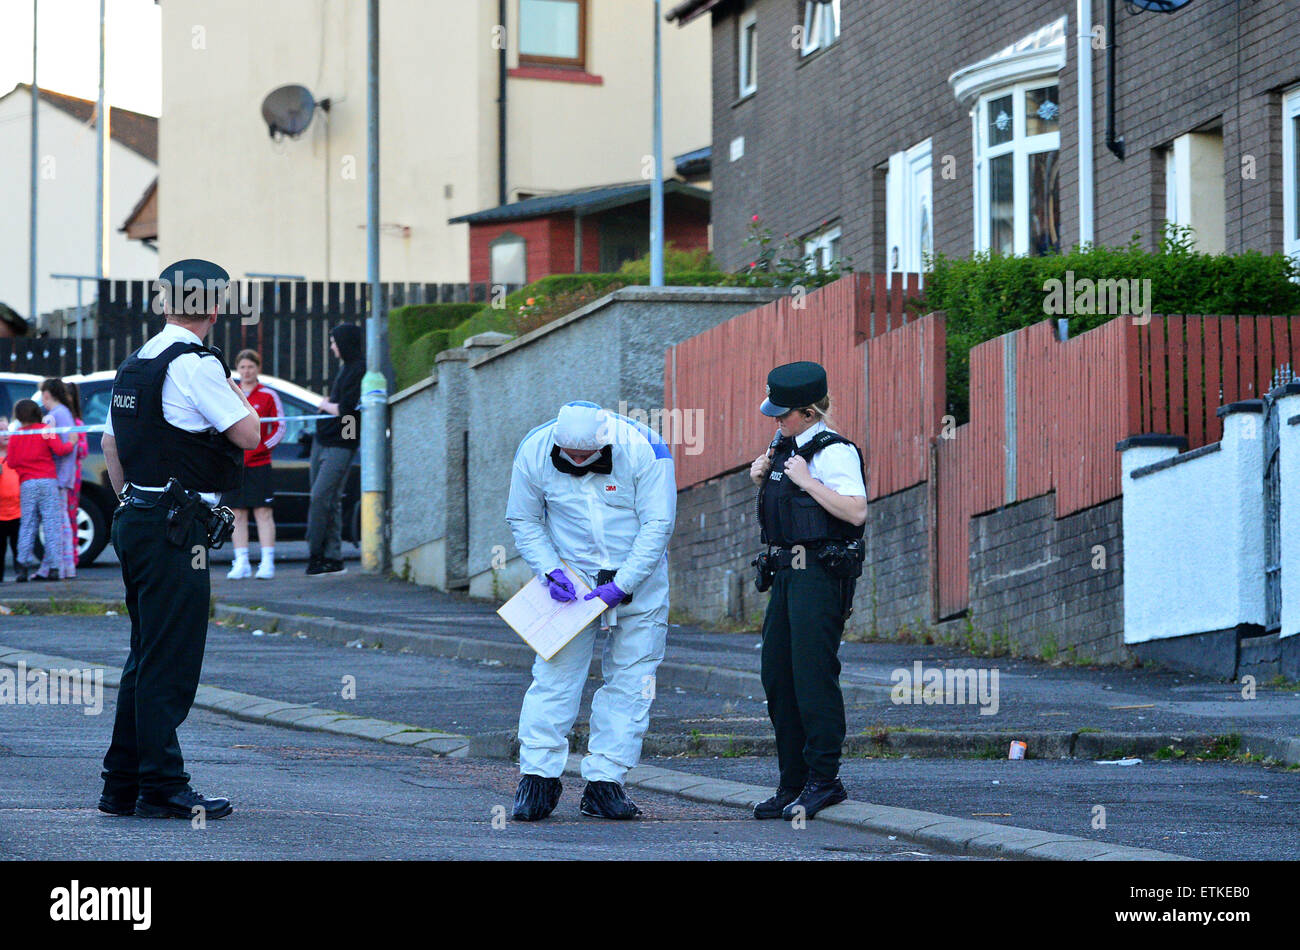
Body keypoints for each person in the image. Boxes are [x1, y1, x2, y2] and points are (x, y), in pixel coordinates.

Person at [98, 258, 262, 821]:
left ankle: (123, 784)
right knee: (170, 662)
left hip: (139, 519)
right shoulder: (195, 365)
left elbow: (110, 447)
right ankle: (163, 786)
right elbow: (249, 432)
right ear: (215, 307)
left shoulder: (136, 362)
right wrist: (236, 388)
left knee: (144, 657)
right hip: (176, 528)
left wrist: (130, 503)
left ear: (164, 301)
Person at [506, 401, 676, 821]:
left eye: (587, 457)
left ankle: (606, 782)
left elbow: (658, 524)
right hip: (571, 578)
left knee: (633, 681)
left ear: (605, 443)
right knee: (553, 678)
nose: (578, 462)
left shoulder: (646, 449)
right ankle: (537, 778)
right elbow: (524, 519)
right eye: (570, 456)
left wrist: (623, 584)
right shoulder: (533, 450)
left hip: (638, 577)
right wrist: (548, 570)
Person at [747, 361, 866, 820]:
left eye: (783, 414)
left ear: (809, 412)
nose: (776, 421)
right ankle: (791, 783)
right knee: (778, 677)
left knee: (813, 677)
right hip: (786, 574)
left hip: (820, 573)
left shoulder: (833, 452)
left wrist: (807, 481)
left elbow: (855, 513)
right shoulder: (786, 446)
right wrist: (764, 477)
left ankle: (824, 780)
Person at [223, 349, 285, 580]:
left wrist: (260, 448)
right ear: (237, 370)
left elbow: (279, 428)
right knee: (236, 513)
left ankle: (267, 562)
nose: (247, 371)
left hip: (260, 465)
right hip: (236, 465)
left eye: (251, 366)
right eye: (242, 367)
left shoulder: (268, 395)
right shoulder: (229, 393)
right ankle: (241, 562)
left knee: (263, 512)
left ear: (258, 368)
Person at [306, 324, 362, 576]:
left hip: (341, 443)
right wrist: (330, 404)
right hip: (324, 439)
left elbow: (346, 411)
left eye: (334, 342)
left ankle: (316, 553)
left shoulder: (358, 370)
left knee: (321, 497)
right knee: (330, 501)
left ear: (345, 343)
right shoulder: (345, 370)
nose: (331, 347)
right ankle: (333, 557)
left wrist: (324, 404)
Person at [7, 399, 76, 582]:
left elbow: (12, 462)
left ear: (19, 416)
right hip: (48, 481)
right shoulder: (45, 430)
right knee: (51, 524)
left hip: (27, 483)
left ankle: (22, 566)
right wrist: (72, 443)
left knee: (27, 524)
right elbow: (60, 450)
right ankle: (54, 567)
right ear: (37, 412)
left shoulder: (16, 435)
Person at [39, 378, 88, 576]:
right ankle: (67, 566)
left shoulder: (52, 417)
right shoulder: (66, 414)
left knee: (57, 522)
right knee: (65, 522)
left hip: (55, 475)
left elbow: (48, 445)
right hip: (66, 475)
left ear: (47, 394)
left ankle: (56, 566)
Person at [0, 418, 23, 581]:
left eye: (7, 429)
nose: (5, 433)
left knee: (19, 547)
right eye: (1, 431)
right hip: (0, 514)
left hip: (18, 511)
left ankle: (21, 573)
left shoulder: (17, 452)